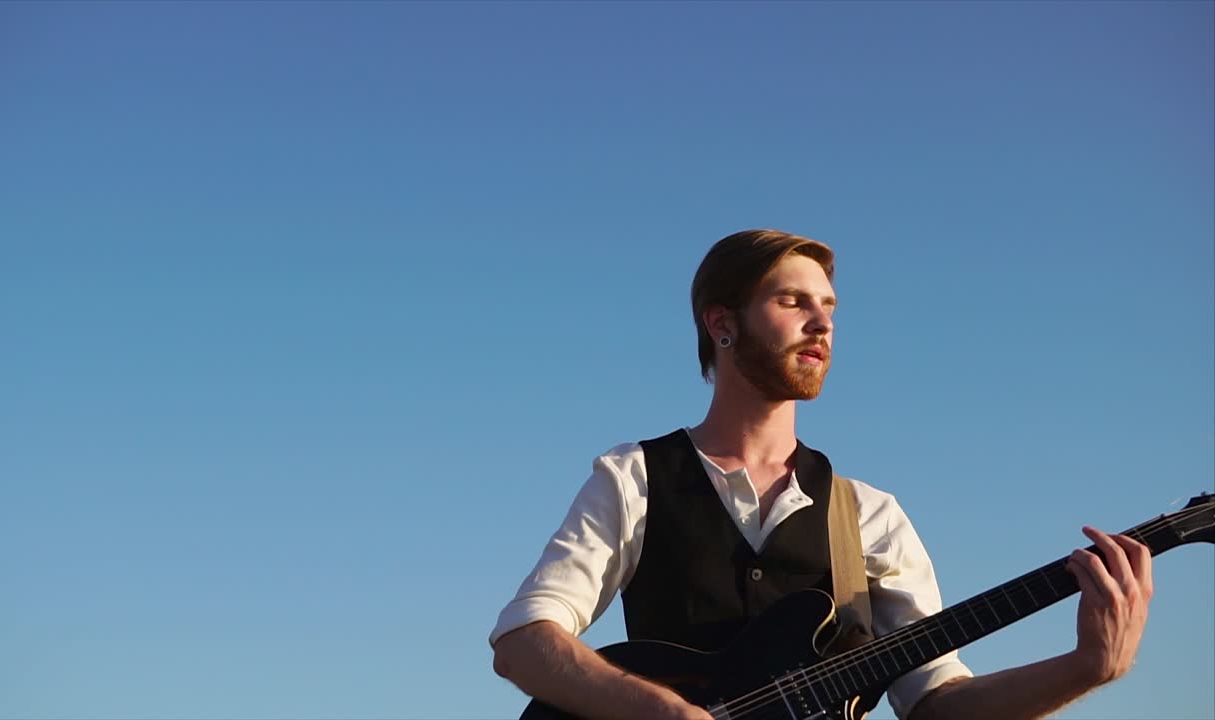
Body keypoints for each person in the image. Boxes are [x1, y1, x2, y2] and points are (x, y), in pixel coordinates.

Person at [489, 229, 1153, 720]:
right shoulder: (635, 477)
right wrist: (668, 714)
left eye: (830, 305)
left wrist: (1085, 668)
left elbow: (935, 702)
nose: (823, 322)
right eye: (793, 300)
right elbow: (523, 640)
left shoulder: (868, 515)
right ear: (722, 323)